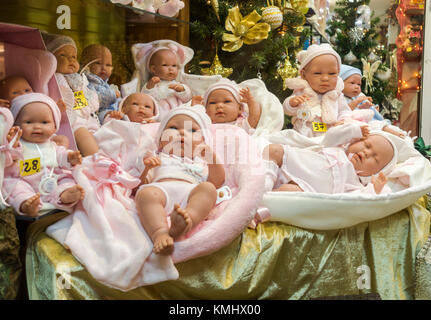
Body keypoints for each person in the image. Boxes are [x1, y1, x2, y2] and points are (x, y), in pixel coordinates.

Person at [134, 105, 224, 255]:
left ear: (202, 141)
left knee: (208, 189)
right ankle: (159, 233)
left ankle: (187, 221)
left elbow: (217, 181)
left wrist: (211, 158)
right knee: (146, 195)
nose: (182, 132)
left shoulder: (200, 161)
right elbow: (141, 185)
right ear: (161, 141)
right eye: (174, 128)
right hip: (161, 190)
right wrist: (146, 169)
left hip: (190, 194)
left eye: (192, 131)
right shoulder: (159, 158)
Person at [2, 93, 84, 217]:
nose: (37, 127)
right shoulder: (17, 143)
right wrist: (11, 146)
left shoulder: (52, 145)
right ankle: (26, 204)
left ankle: (64, 194)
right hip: (24, 180)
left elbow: (61, 155)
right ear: (15, 125)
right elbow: (8, 160)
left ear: (55, 126)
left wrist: (70, 157)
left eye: (45, 122)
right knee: (13, 187)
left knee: (66, 179)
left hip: (52, 177)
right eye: (28, 122)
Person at [262, 122, 395, 195]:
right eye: (366, 145)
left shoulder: (354, 183)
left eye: (375, 159)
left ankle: (267, 196)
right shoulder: (338, 147)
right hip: (298, 163)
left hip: (306, 188)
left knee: (290, 194)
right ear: (355, 140)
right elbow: (330, 136)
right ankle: (264, 183)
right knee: (273, 150)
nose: (367, 153)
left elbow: (358, 200)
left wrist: (374, 189)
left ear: (375, 173)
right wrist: (352, 131)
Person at [42, 33, 100, 156]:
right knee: (82, 134)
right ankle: (96, 160)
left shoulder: (79, 78)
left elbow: (89, 96)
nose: (71, 60)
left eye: (74, 56)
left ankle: (107, 159)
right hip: (70, 119)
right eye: (63, 55)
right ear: (50, 59)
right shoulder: (53, 79)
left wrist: (92, 100)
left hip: (86, 116)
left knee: (99, 134)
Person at [282, 43, 352, 137]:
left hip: (329, 134)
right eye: (318, 73)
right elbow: (287, 110)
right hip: (304, 132)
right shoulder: (302, 90)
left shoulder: (336, 94)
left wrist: (342, 122)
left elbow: (345, 111)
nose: (325, 78)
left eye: (332, 73)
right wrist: (292, 103)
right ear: (303, 74)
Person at [0, 75, 70, 148]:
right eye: (15, 93)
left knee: (63, 139)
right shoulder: (8, 110)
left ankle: (60, 154)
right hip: (21, 139)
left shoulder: (37, 102)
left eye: (27, 90)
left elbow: (46, 114)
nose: (24, 94)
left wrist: (56, 108)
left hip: (44, 136)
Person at [139, 41, 192, 117]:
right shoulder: (153, 84)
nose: (171, 69)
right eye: (165, 65)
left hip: (178, 112)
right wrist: (150, 86)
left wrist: (181, 89)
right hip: (160, 113)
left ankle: (189, 127)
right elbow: (145, 98)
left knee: (188, 115)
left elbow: (187, 98)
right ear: (153, 69)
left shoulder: (177, 83)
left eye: (174, 65)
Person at [192, 78, 261, 135]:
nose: (219, 105)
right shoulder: (206, 125)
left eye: (227, 101)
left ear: (240, 108)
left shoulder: (240, 124)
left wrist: (251, 101)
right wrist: (196, 108)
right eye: (212, 103)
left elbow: (254, 117)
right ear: (206, 110)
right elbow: (193, 124)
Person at [80, 44, 122, 123]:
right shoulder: (87, 82)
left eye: (108, 65)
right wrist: (112, 95)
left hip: (115, 113)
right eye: (98, 63)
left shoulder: (106, 84)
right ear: (86, 64)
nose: (104, 68)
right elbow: (95, 98)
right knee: (105, 114)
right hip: (97, 115)